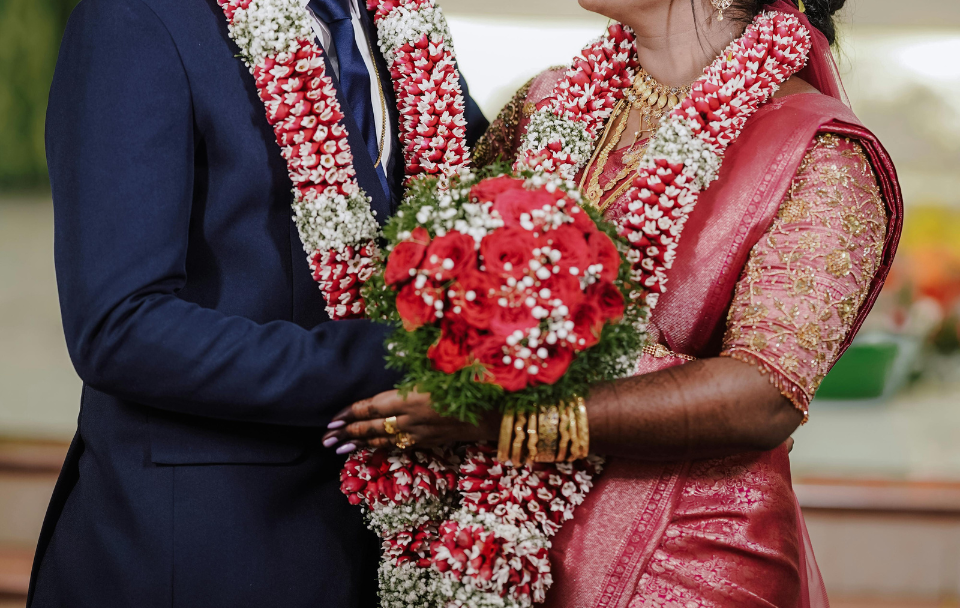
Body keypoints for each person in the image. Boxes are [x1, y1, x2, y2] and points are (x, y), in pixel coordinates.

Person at [322, 0, 903, 606]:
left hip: (687, 562)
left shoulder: (821, 153)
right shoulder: (548, 104)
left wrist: (504, 419)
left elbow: (763, 397)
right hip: (492, 542)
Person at [29, 0, 488, 605]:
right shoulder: (140, 16)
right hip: (208, 546)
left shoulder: (395, 21)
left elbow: (485, 214)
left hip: (399, 539)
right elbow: (119, 326)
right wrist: (393, 359)